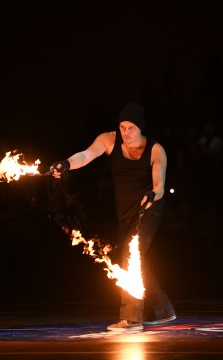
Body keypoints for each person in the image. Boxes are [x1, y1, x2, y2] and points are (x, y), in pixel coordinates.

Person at [50, 102, 176, 331]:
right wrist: (67, 163)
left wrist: (151, 195)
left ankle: (132, 319)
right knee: (137, 261)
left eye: (131, 128)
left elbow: (159, 187)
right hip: (125, 214)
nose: (126, 133)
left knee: (131, 256)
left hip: (149, 209)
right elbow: (86, 155)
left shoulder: (156, 150)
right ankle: (162, 310)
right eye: (123, 127)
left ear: (141, 128)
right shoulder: (108, 140)